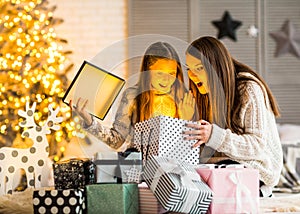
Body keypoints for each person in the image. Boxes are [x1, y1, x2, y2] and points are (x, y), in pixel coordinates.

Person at [183, 36, 283, 197]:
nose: (193, 76)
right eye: (189, 69)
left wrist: (213, 135)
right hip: (221, 166)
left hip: (255, 169)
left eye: (199, 68)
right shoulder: (205, 94)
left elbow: (257, 146)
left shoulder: (248, 88)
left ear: (216, 67)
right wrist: (186, 120)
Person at [72, 41, 195, 150]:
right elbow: (116, 142)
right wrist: (89, 120)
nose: (167, 79)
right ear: (148, 71)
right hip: (139, 169)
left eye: (171, 73)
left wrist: (187, 121)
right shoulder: (132, 96)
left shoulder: (183, 98)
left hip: (175, 169)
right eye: (159, 73)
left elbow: (192, 147)